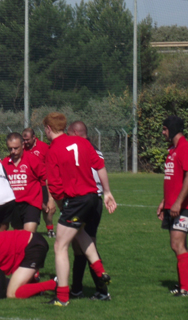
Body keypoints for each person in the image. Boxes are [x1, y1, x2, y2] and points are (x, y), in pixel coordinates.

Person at [43, 112, 117, 306]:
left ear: (48, 129)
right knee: (80, 232)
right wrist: (107, 192)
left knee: (60, 246)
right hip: (94, 198)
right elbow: (99, 165)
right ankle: (100, 272)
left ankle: (62, 297)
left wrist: (61, 206)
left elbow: (55, 185)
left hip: (76, 200)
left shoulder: (53, 150)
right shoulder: (83, 143)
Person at [67, 120, 109, 300]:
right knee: (78, 245)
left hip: (85, 199)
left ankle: (102, 290)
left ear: (75, 132)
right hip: (94, 199)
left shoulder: (80, 148)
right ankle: (76, 289)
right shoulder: (95, 148)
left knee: (87, 244)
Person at [157, 116, 188, 297]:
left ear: (171, 129)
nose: (163, 133)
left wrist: (179, 202)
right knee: (177, 245)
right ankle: (183, 285)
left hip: (184, 206)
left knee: (177, 244)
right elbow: (173, 179)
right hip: (172, 205)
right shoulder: (173, 150)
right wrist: (165, 202)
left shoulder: (186, 149)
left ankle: (186, 288)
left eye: (164, 129)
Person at [2, 132, 50, 232]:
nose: (13, 151)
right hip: (14, 204)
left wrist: (48, 200)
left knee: (28, 235)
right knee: (19, 236)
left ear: (23, 145)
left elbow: (45, 178)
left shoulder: (32, 159)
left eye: (16, 148)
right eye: (10, 149)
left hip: (31, 203)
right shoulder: (5, 163)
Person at [22, 128, 56, 238]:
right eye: (24, 140)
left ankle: (50, 229)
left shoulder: (43, 147)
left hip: (43, 183)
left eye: (27, 139)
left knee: (46, 208)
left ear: (34, 137)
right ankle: (27, 228)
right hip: (29, 184)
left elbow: (51, 164)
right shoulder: (22, 149)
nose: (25, 142)